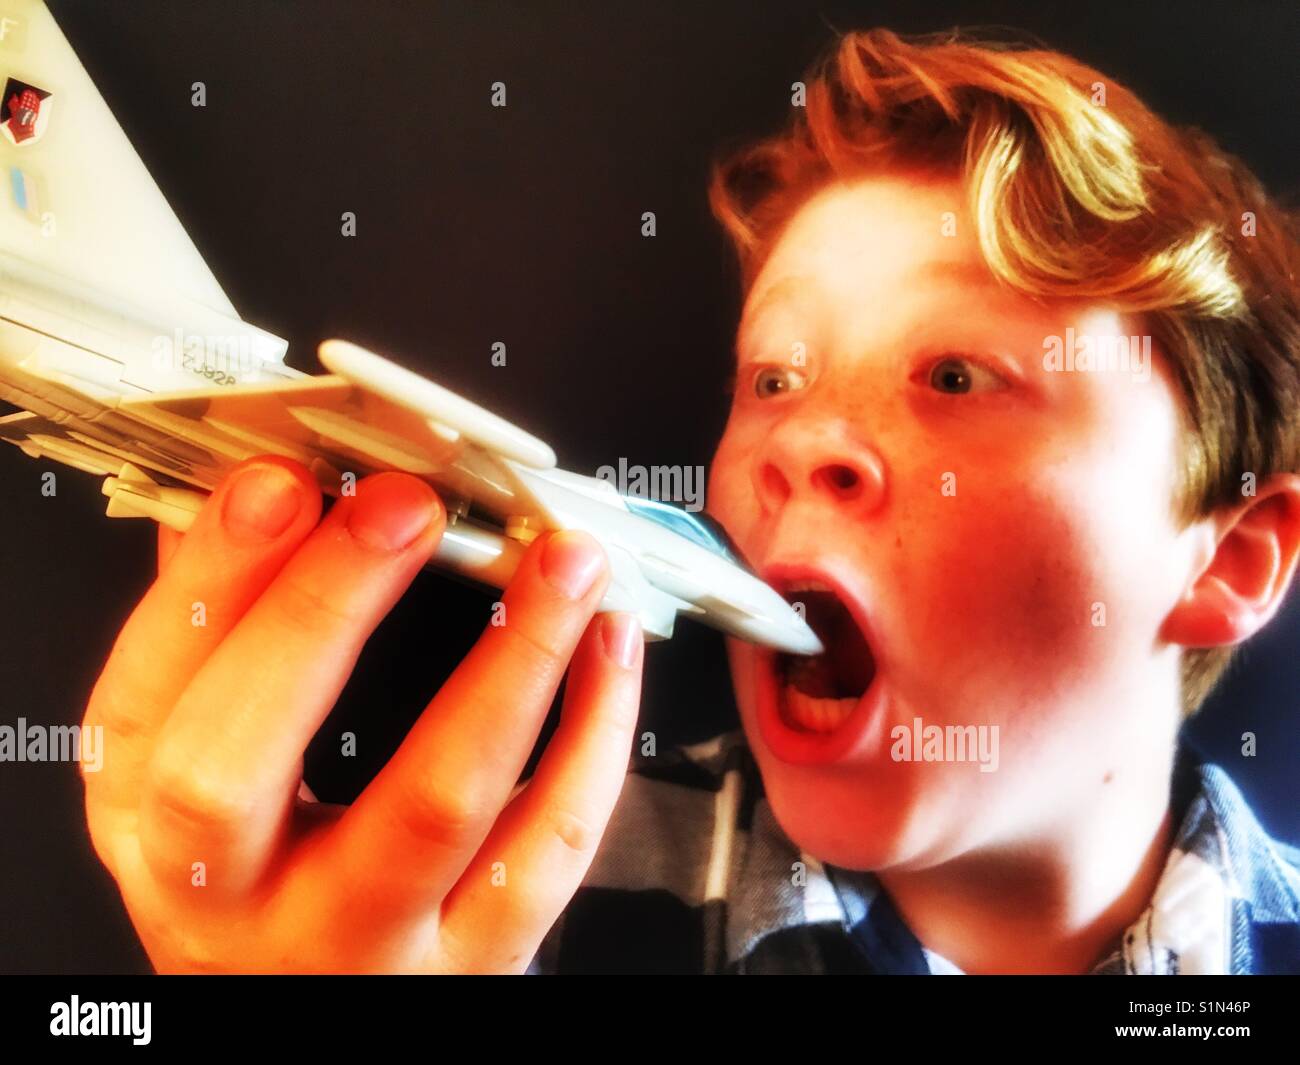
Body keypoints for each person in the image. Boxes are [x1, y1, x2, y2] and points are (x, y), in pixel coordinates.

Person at [80, 28, 1300, 974]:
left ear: (1229, 559)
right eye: (773, 379)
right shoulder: (496, 916)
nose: (799, 439)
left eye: (952, 376)